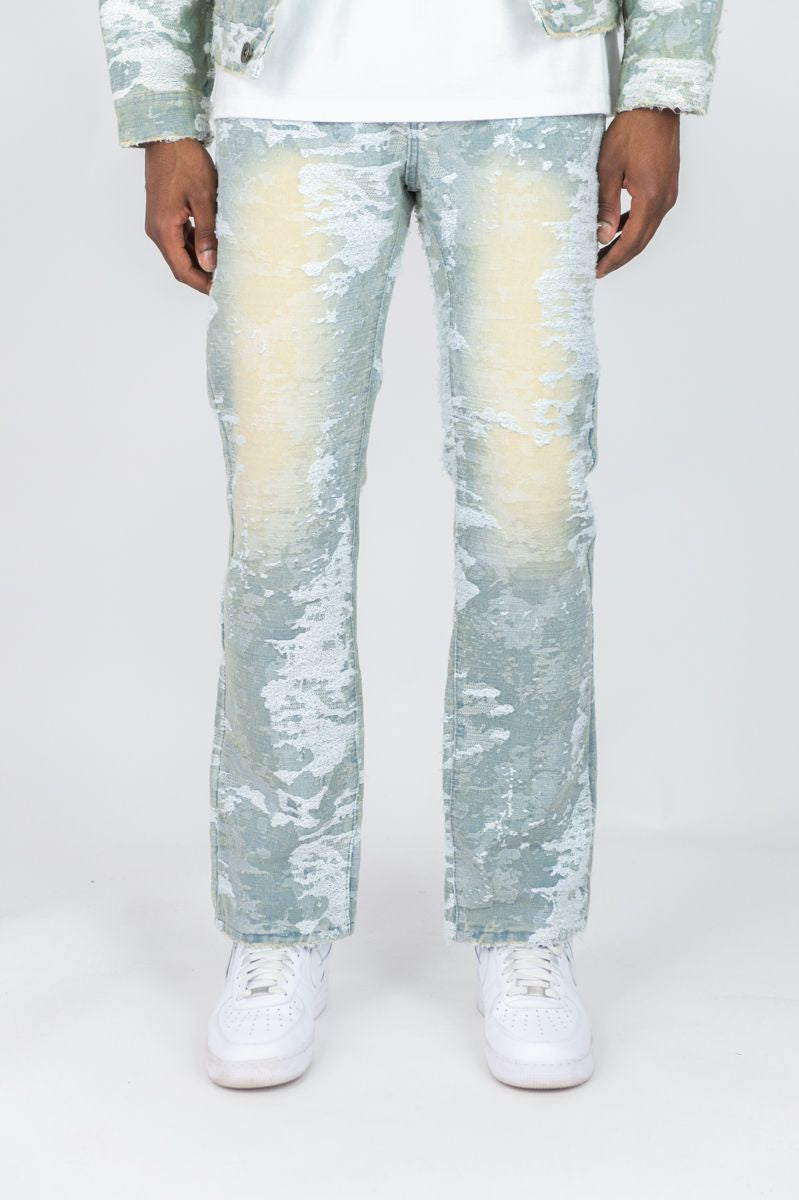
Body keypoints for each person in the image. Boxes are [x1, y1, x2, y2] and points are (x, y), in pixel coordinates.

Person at [99, 0, 722, 1090]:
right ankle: (277, 924)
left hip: (533, 92)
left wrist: (660, 83)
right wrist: (161, 114)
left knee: (530, 531)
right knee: (281, 534)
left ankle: (524, 922)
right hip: (284, 99)